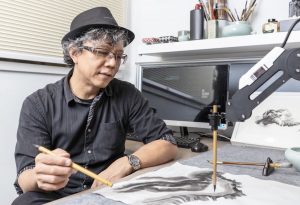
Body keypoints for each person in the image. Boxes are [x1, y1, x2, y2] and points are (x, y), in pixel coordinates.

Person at [12, 7, 177, 205]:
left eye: (118, 55)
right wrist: (41, 176)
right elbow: (25, 176)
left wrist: (127, 162)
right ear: (74, 53)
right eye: (102, 52)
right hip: (56, 194)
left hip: (109, 190)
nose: (112, 63)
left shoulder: (127, 94)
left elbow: (166, 143)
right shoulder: (38, 104)